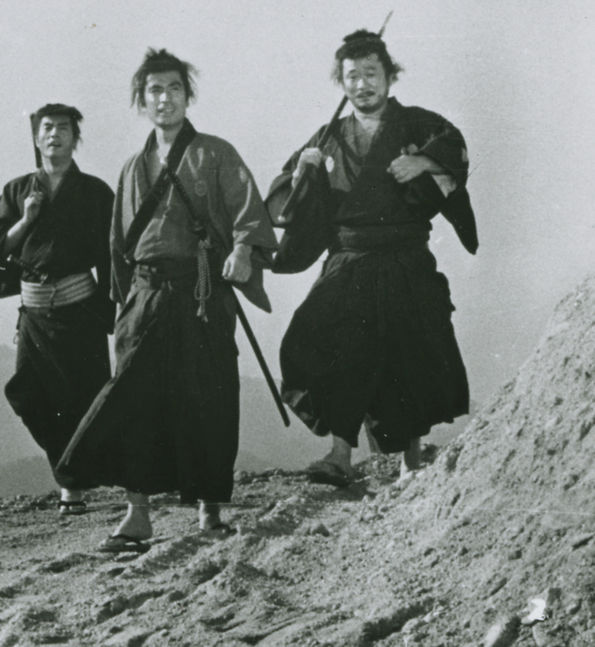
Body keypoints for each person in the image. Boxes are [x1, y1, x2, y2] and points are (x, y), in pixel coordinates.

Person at [57, 49, 278, 552]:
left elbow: (248, 209)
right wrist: (125, 304)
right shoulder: (132, 168)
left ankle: (210, 511)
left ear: (187, 95)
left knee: (211, 396)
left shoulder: (216, 153)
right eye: (155, 90)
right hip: (147, 294)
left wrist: (243, 248)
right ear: (143, 99)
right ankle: (138, 514)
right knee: (136, 399)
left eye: (174, 88)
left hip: (201, 293)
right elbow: (117, 246)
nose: (165, 98)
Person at [277, 28, 474, 487]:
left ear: (389, 77)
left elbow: (455, 149)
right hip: (349, 258)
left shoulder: (420, 125)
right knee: (326, 345)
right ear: (341, 83)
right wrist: (304, 174)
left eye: (371, 73)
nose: (362, 84)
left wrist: (424, 163)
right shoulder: (328, 136)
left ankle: (410, 459)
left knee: (410, 354)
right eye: (352, 76)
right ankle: (339, 456)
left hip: (403, 256)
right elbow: (291, 199)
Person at [0, 103, 115, 516]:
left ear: (76, 138)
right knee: (28, 395)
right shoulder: (18, 191)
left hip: (81, 310)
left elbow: (112, 256)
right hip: (35, 315)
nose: (55, 134)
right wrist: (25, 220)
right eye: (47, 128)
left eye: (64, 128)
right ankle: (72, 473)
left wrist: (111, 310)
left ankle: (71, 489)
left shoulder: (95, 192)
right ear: (37, 139)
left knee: (86, 399)